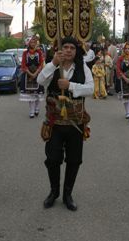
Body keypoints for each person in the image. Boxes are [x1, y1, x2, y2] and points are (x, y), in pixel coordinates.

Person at [37, 36, 94, 211]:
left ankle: (68, 194)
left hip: (75, 123)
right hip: (55, 123)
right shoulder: (53, 66)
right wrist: (53, 63)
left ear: (76, 51)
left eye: (72, 48)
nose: (68, 50)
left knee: (74, 160)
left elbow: (90, 89)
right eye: (65, 47)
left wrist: (70, 85)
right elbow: (40, 81)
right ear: (59, 50)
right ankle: (54, 192)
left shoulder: (82, 67)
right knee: (53, 159)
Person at [19, 36, 45, 118]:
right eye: (31, 42)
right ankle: (31, 111)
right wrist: (30, 74)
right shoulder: (25, 53)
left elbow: (41, 64)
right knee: (30, 95)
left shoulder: (39, 52)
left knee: (37, 94)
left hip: (38, 74)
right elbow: (23, 65)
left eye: (34, 42)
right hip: (27, 76)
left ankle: (37, 108)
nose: (33, 44)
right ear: (28, 44)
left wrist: (36, 73)